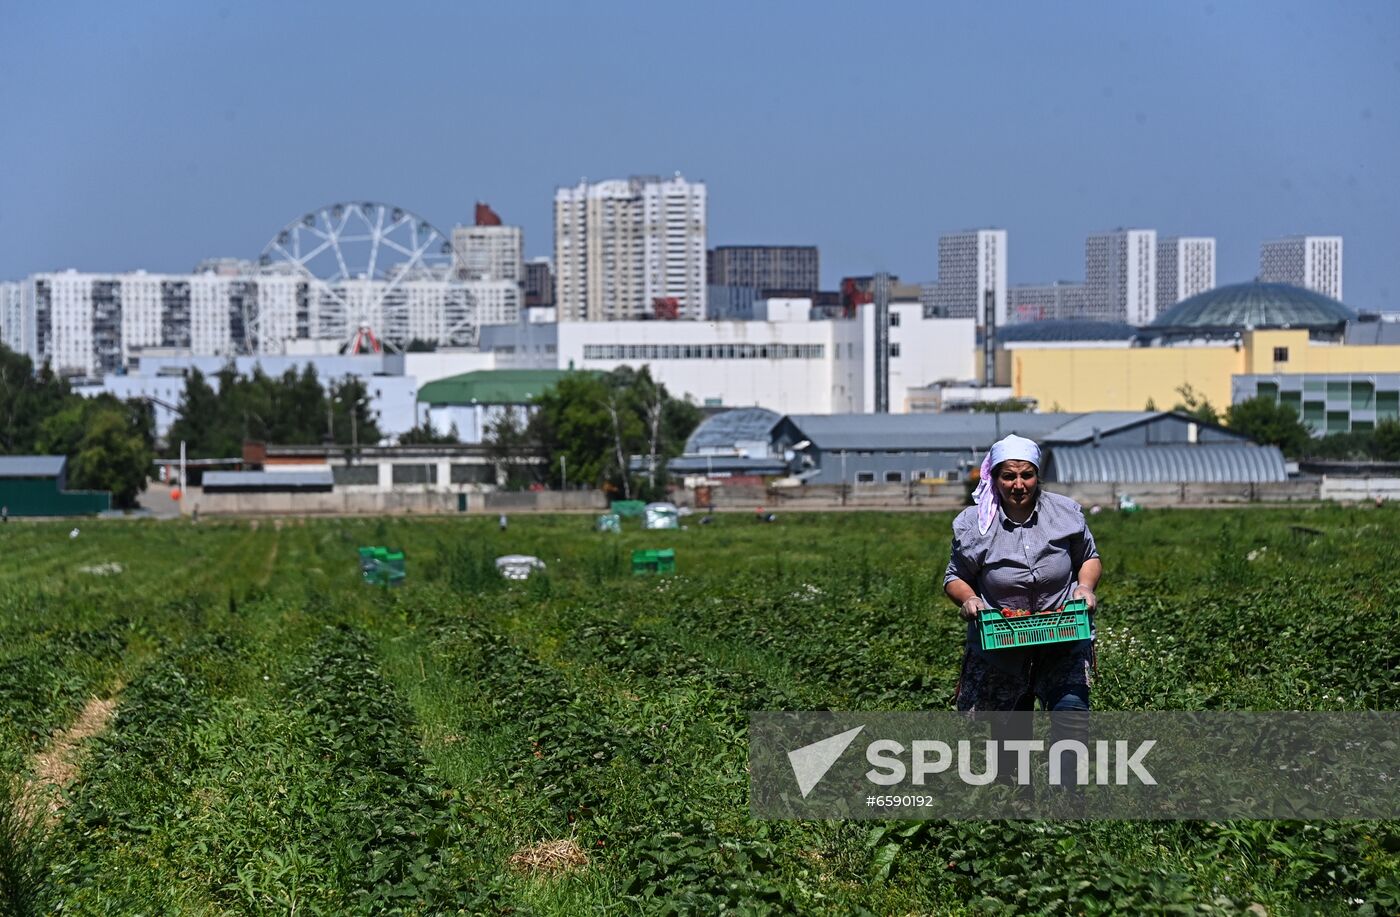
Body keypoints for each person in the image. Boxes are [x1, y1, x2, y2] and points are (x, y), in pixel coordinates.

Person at [944, 434, 1102, 715]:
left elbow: (1088, 557)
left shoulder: (1065, 513)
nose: (1018, 485)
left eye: (1026, 475)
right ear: (994, 478)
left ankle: (1064, 760)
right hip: (1001, 645)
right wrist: (969, 599)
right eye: (1009, 477)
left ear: (1037, 475)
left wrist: (1086, 587)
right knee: (1011, 741)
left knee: (1072, 715)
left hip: (1063, 634)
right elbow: (955, 576)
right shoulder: (973, 524)